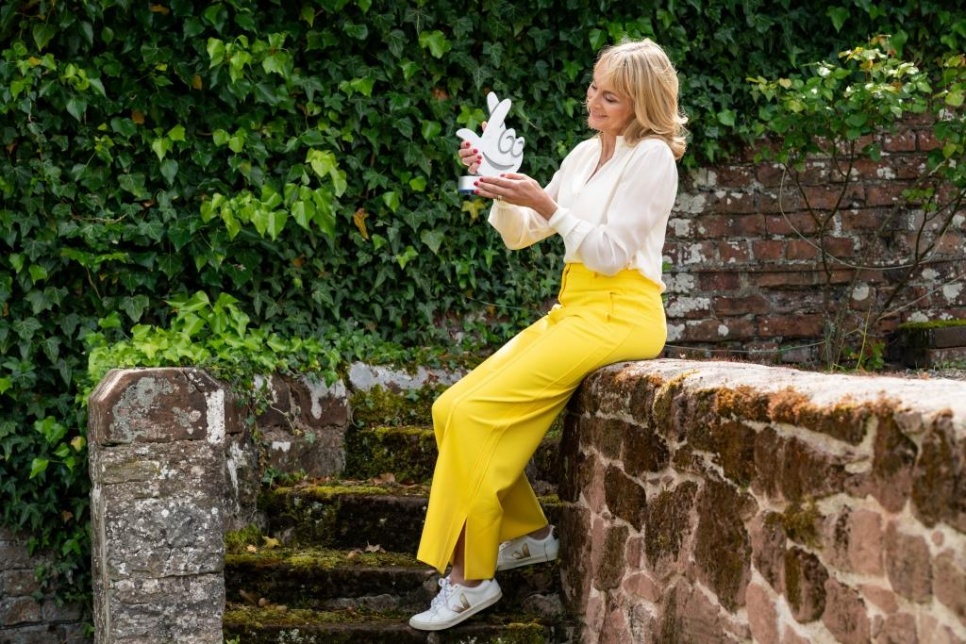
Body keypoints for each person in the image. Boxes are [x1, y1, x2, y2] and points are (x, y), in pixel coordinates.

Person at [409, 38, 688, 631]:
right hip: (578, 305)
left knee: (479, 414)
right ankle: (530, 535)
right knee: (449, 407)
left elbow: (613, 254)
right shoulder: (586, 154)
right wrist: (499, 180)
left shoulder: (653, 158)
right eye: (594, 87)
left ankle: (471, 579)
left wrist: (549, 205)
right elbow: (522, 232)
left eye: (610, 95)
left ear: (641, 103)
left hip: (623, 312)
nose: (594, 100)